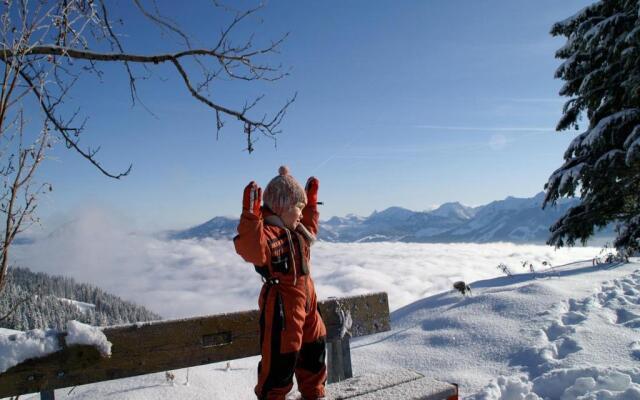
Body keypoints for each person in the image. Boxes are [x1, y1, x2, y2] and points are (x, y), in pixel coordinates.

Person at [234, 166, 327, 400]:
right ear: (282, 208)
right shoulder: (270, 233)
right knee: (280, 359)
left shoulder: (298, 231)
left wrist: (312, 206)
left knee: (313, 351)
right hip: (283, 309)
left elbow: (309, 226)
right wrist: (250, 217)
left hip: (307, 303)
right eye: (298, 208)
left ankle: (314, 393)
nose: (301, 214)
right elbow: (251, 248)